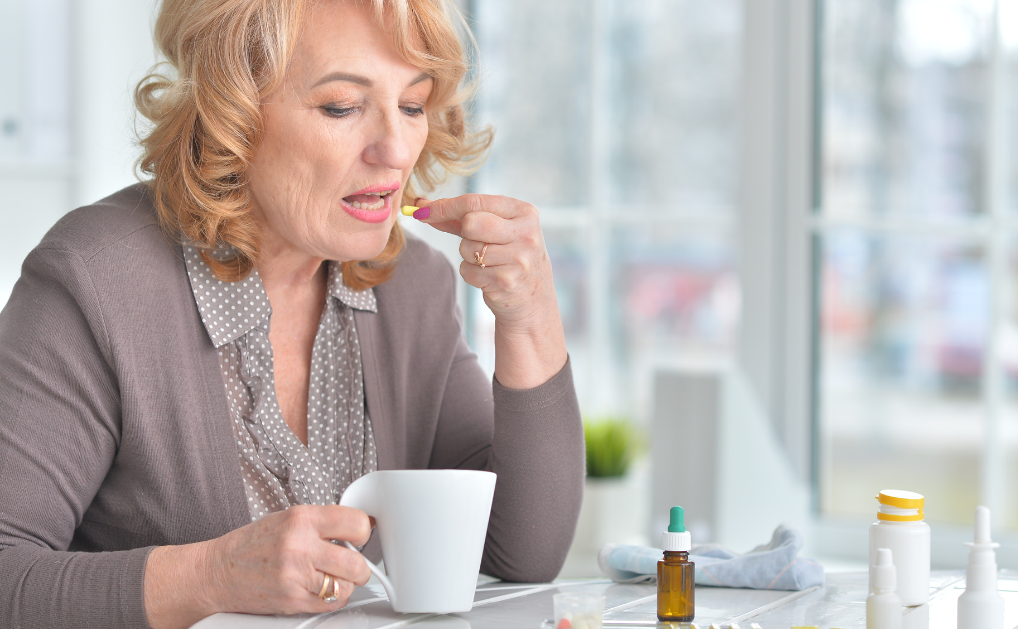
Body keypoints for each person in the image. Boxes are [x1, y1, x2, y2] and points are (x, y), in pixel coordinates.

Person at [0, 0, 584, 627]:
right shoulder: (96, 278)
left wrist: (529, 318)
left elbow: (520, 550)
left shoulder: (412, 283)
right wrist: (209, 577)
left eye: (412, 105)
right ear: (234, 114)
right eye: (341, 106)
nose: (394, 149)